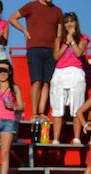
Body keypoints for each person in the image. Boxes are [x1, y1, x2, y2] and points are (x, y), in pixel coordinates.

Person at [9, 0, 64, 120]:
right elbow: (12, 18)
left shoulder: (58, 11)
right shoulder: (31, 5)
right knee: (37, 81)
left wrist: (58, 48)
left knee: (47, 82)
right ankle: (34, 114)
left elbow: (59, 34)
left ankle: (42, 113)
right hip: (34, 49)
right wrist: (24, 31)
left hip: (51, 51)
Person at [49, 12, 88, 144]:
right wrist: (66, 42)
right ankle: (56, 139)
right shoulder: (59, 39)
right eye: (66, 22)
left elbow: (78, 53)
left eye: (72, 21)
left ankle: (76, 137)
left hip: (76, 73)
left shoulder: (83, 38)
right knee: (58, 108)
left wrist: (72, 40)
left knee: (77, 107)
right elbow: (56, 57)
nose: (69, 24)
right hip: (59, 73)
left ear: (76, 22)